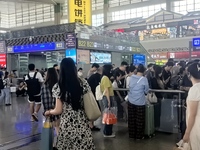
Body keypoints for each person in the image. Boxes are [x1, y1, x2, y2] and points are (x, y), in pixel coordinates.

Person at [45, 58, 95, 150]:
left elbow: (58, 110)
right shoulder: (83, 83)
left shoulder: (58, 86)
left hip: (67, 127)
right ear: (74, 68)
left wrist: (49, 112)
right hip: (82, 124)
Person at [128, 64, 149, 139]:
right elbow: (146, 91)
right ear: (143, 71)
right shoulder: (144, 79)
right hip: (140, 102)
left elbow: (129, 86)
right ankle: (139, 136)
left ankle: (131, 134)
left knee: (131, 119)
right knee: (139, 120)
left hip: (130, 100)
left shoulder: (131, 77)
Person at [183, 62, 200, 150]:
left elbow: (192, 115)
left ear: (189, 74)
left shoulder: (194, 90)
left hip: (196, 126)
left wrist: (187, 132)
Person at [41, 68, 60, 135]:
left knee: (50, 128)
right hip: (58, 110)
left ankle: (50, 143)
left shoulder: (44, 86)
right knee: (58, 127)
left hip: (48, 111)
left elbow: (44, 100)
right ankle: (58, 142)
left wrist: (47, 111)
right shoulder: (59, 85)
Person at [100, 64, 116, 138]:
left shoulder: (104, 77)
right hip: (108, 98)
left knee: (108, 114)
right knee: (109, 115)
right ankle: (107, 132)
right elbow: (106, 90)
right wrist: (109, 101)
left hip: (107, 97)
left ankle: (108, 131)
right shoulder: (105, 78)